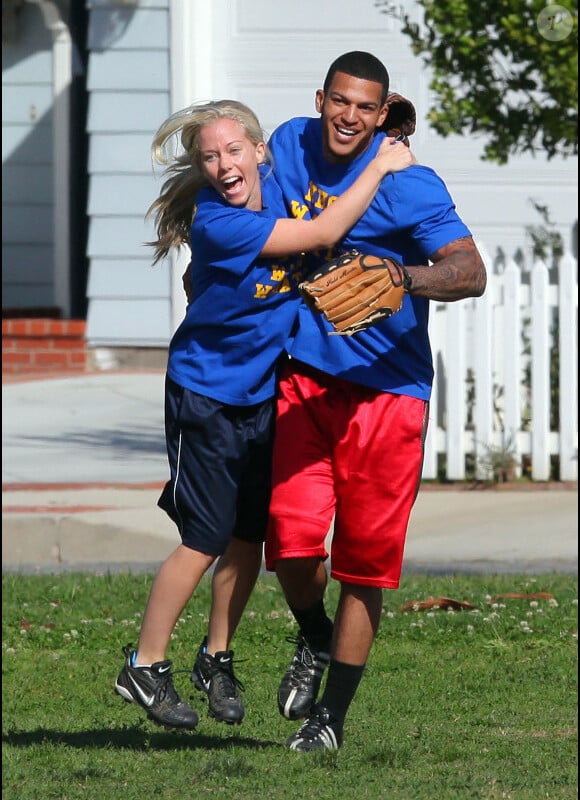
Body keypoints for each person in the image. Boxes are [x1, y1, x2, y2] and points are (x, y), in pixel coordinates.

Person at [113, 98, 417, 730]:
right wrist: (382, 165)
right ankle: (144, 665)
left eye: (232, 150)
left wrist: (379, 136)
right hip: (205, 395)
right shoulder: (221, 222)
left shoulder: (276, 191)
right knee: (202, 538)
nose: (222, 165)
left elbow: (319, 202)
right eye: (208, 156)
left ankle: (216, 655)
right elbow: (322, 234)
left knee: (250, 536)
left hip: (260, 394)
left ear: (258, 152)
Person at [263, 51, 487, 751]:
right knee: (293, 544)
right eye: (340, 101)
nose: (349, 116)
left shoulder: (410, 185)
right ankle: (314, 636)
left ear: (382, 113)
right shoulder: (289, 145)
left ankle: (330, 719)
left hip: (389, 393)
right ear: (321, 97)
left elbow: (470, 271)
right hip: (304, 377)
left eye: (365, 107)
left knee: (364, 561)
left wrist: (403, 275)